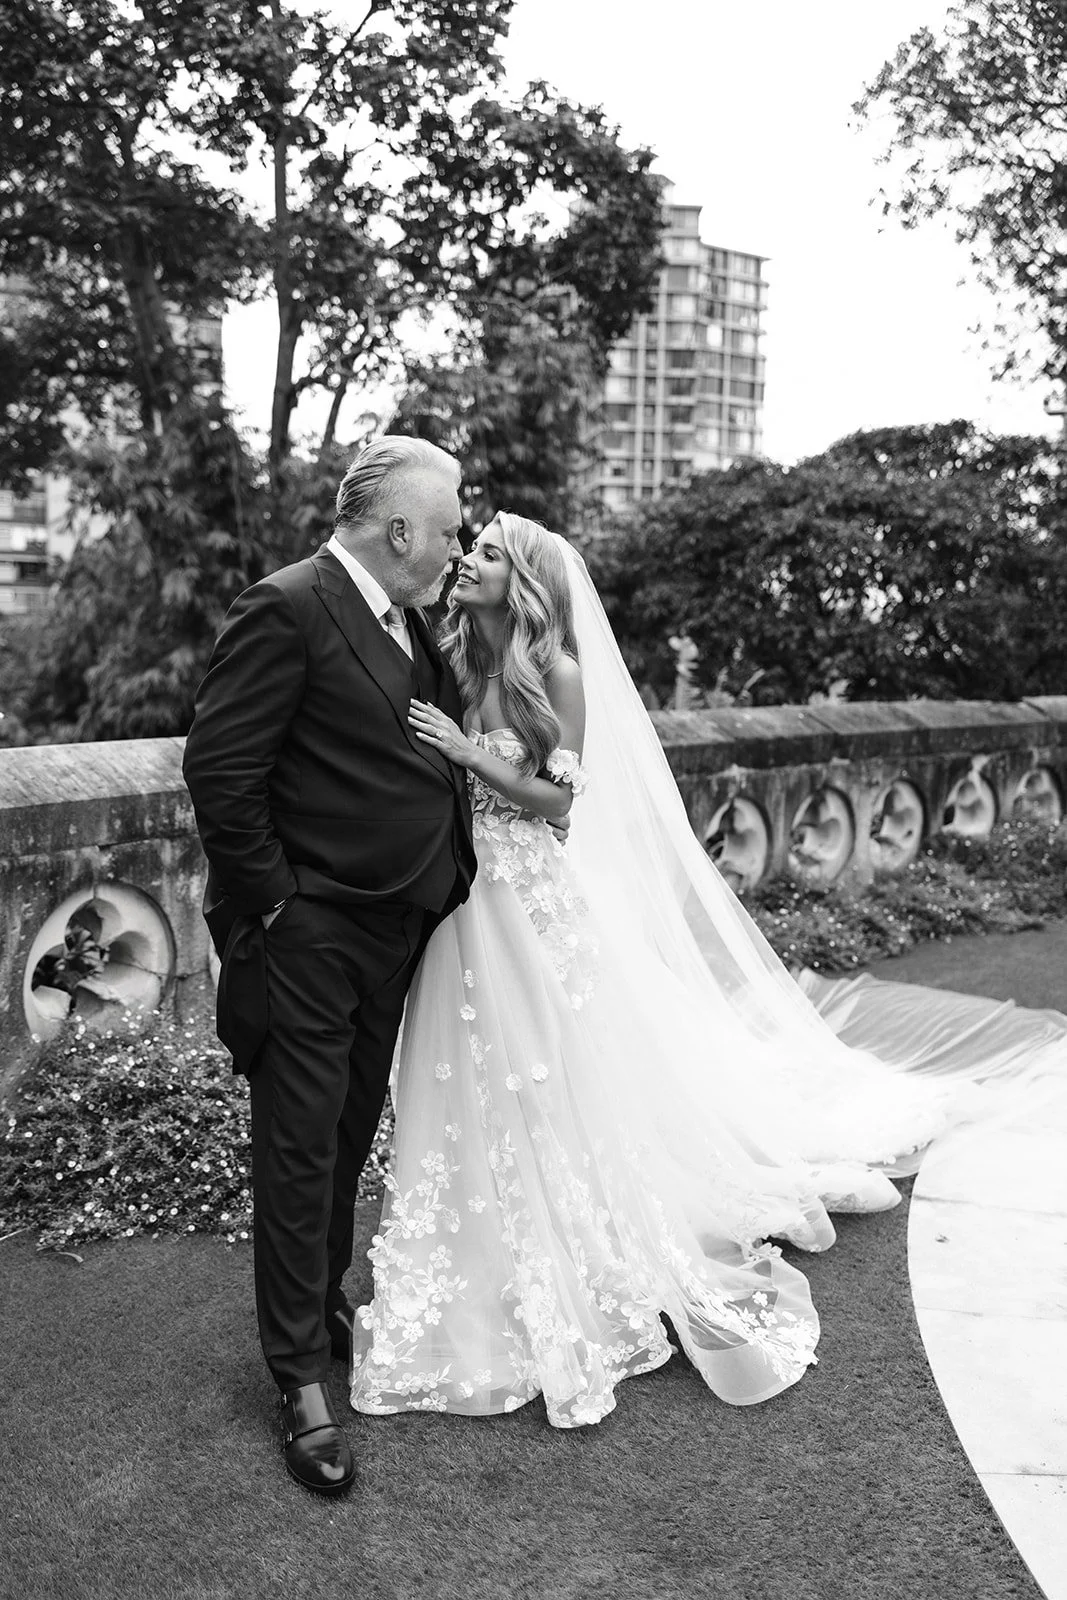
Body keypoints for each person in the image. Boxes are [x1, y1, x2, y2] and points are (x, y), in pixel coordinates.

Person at [349, 513, 1067, 1428]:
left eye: (486, 553)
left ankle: (577, 1244)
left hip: (526, 896)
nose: (467, 563)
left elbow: (562, 801)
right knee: (467, 1068)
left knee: (547, 1071)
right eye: (472, 548)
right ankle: (474, 1243)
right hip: (459, 895)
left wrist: (462, 753)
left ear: (523, 580)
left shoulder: (556, 674)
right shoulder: (455, 656)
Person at [182, 437, 477, 1494]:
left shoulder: (407, 614)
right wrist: (277, 906)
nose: (456, 544)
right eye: (446, 528)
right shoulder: (288, 604)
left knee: (349, 1131)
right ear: (398, 530)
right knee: (300, 1150)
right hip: (308, 933)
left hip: (394, 928)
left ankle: (321, 1302)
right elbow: (221, 772)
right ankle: (297, 1376)